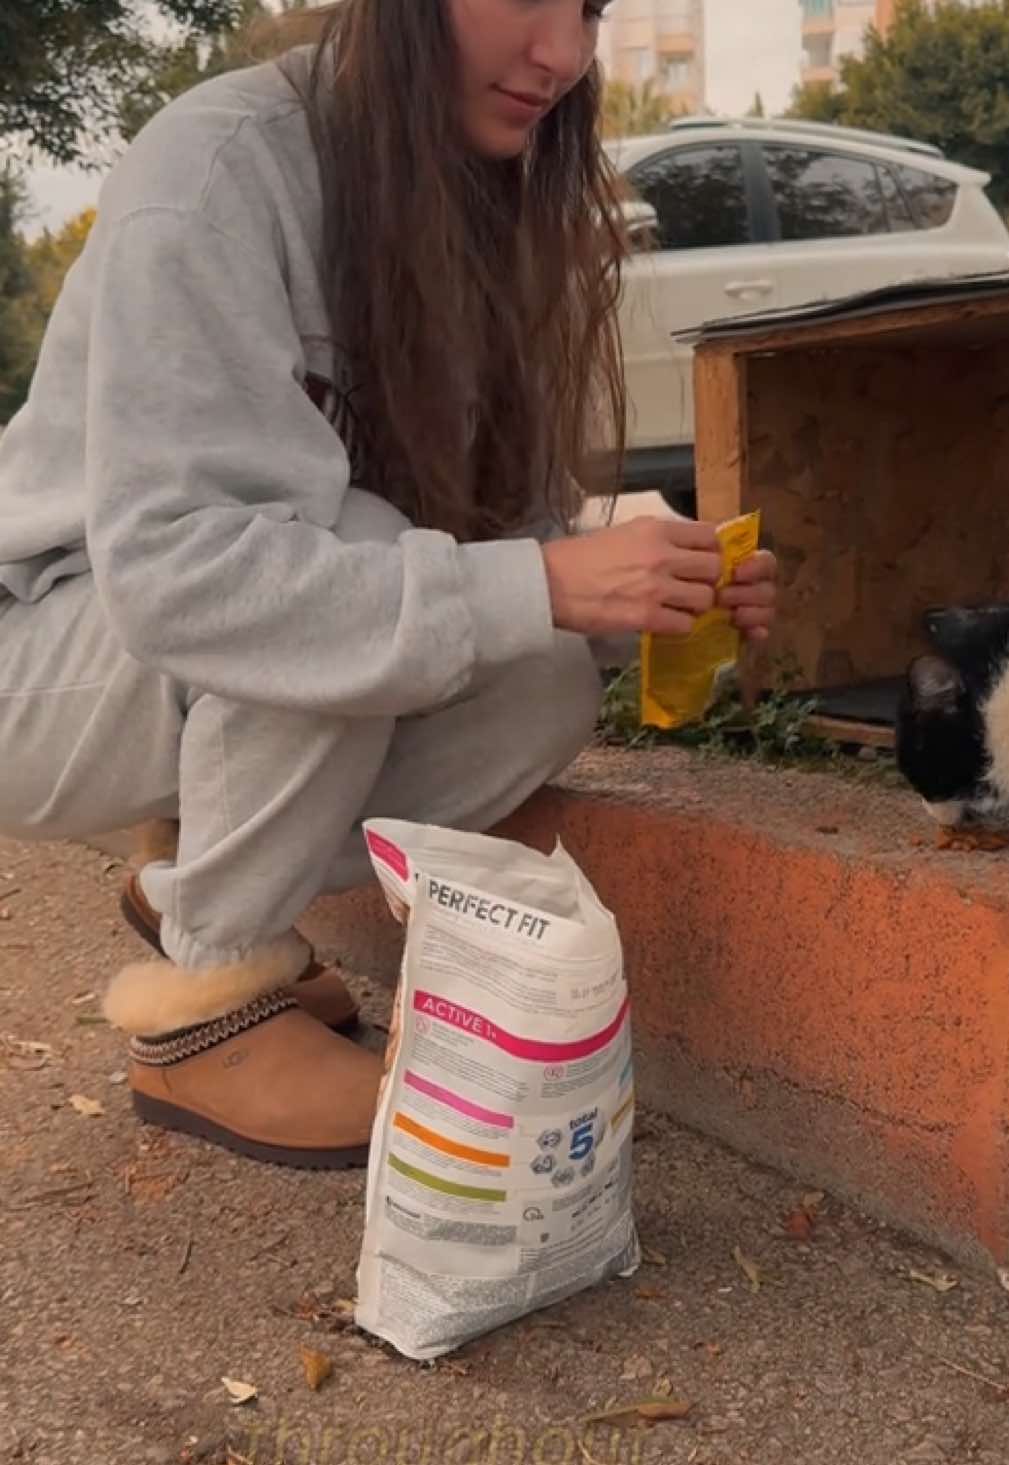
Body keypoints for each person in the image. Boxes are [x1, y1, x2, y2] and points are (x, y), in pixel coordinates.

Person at [0, 0, 776, 1168]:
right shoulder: (218, 169)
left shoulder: (475, 201)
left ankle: (192, 892)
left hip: (173, 657)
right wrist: (542, 584)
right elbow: (181, 577)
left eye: (590, 10)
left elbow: (488, 548)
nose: (563, 57)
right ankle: (208, 1004)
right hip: (38, 659)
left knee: (539, 674)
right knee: (354, 549)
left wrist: (649, 596)